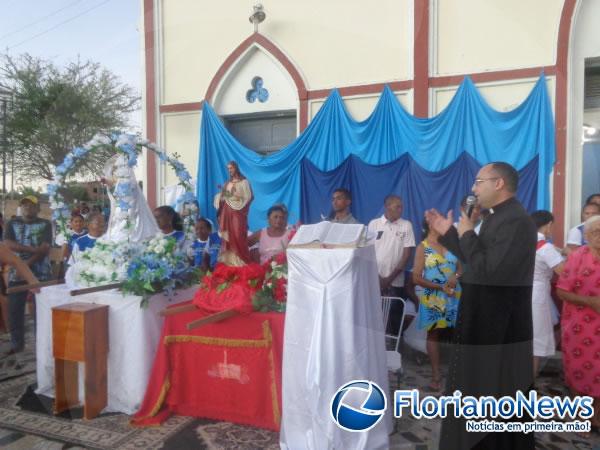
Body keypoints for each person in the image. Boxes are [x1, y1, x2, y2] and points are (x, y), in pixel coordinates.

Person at [426, 162, 537, 449]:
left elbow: (489, 271)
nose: (474, 188)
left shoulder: (515, 220)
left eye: (479, 182)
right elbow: (474, 262)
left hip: (498, 326)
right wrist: (450, 233)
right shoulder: (495, 217)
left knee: (494, 396)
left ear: (498, 183)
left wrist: (465, 232)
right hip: (482, 317)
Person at [556, 215, 600, 431]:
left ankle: (597, 415)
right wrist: (590, 301)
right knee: (577, 369)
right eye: (595, 232)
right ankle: (581, 415)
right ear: (586, 235)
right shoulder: (577, 258)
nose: (599, 236)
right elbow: (562, 291)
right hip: (579, 326)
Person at [413, 219, 462, 391]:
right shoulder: (423, 247)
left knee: (459, 334)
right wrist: (440, 286)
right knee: (433, 335)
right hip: (433, 296)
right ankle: (436, 375)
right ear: (429, 226)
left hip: (454, 295)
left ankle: (459, 375)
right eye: (438, 222)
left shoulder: (452, 245)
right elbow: (416, 277)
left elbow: (462, 268)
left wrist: (455, 276)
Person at [3, 195, 52, 356]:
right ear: (20, 208)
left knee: (41, 310)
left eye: (31, 206)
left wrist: (24, 265)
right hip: (16, 275)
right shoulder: (12, 223)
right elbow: (8, 245)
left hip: (41, 272)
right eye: (24, 205)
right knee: (14, 309)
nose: (27, 208)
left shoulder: (46, 224)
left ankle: (42, 342)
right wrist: (31, 250)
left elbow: (44, 249)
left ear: (38, 209)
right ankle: (17, 344)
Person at [368, 195, 416, 333]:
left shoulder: (406, 225)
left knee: (394, 321)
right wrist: (377, 278)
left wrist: (388, 279)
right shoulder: (373, 224)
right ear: (387, 207)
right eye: (398, 206)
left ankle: (396, 351)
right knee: (372, 319)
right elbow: (367, 251)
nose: (401, 209)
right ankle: (374, 350)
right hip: (374, 280)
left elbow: (407, 255)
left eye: (401, 206)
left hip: (396, 282)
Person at [530, 210, 564, 377]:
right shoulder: (545, 247)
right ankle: (529, 382)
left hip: (521, 293)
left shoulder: (522, 242)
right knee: (536, 340)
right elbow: (563, 271)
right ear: (548, 224)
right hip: (538, 296)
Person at [102, 154, 159, 243]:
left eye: (120, 167)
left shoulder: (130, 182)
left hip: (131, 208)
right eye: (117, 169)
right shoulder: (118, 183)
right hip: (121, 208)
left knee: (130, 222)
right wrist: (108, 184)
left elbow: (130, 194)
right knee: (119, 224)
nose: (118, 171)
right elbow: (114, 190)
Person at [213, 161, 253, 266]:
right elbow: (224, 196)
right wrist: (221, 196)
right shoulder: (228, 183)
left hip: (238, 213)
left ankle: (241, 261)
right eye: (228, 168)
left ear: (236, 168)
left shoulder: (244, 182)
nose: (230, 170)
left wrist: (236, 198)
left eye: (231, 168)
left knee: (238, 234)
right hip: (227, 212)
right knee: (228, 236)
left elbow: (249, 197)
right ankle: (230, 261)